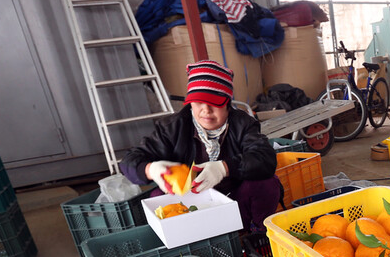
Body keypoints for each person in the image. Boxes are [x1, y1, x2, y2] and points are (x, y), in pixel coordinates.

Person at [119, 60, 281, 233]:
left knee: (266, 183)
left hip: (234, 202)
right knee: (158, 196)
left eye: (214, 102)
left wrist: (224, 168)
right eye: (198, 102)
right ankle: (189, 242)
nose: (206, 110)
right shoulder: (172, 128)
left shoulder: (243, 124)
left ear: (227, 103)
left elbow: (265, 159)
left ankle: (253, 236)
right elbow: (129, 161)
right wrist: (150, 169)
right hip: (191, 205)